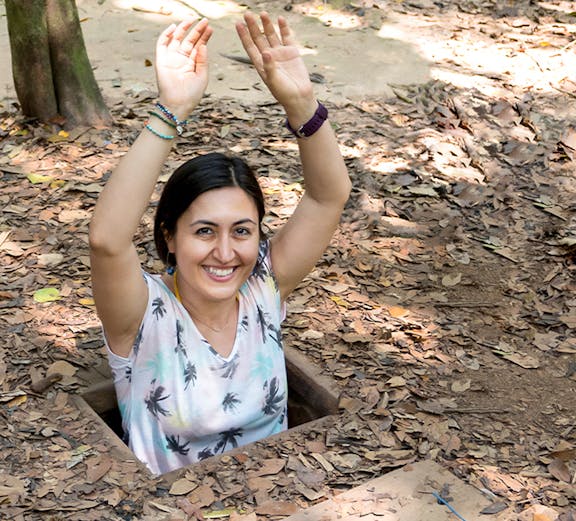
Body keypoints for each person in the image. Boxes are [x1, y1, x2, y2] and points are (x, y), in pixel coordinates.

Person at [89, 12, 351, 475]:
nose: (226, 253)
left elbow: (328, 196)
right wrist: (170, 112)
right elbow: (108, 241)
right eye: (204, 231)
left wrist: (303, 103)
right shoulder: (141, 316)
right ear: (169, 235)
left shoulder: (263, 289)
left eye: (242, 231)